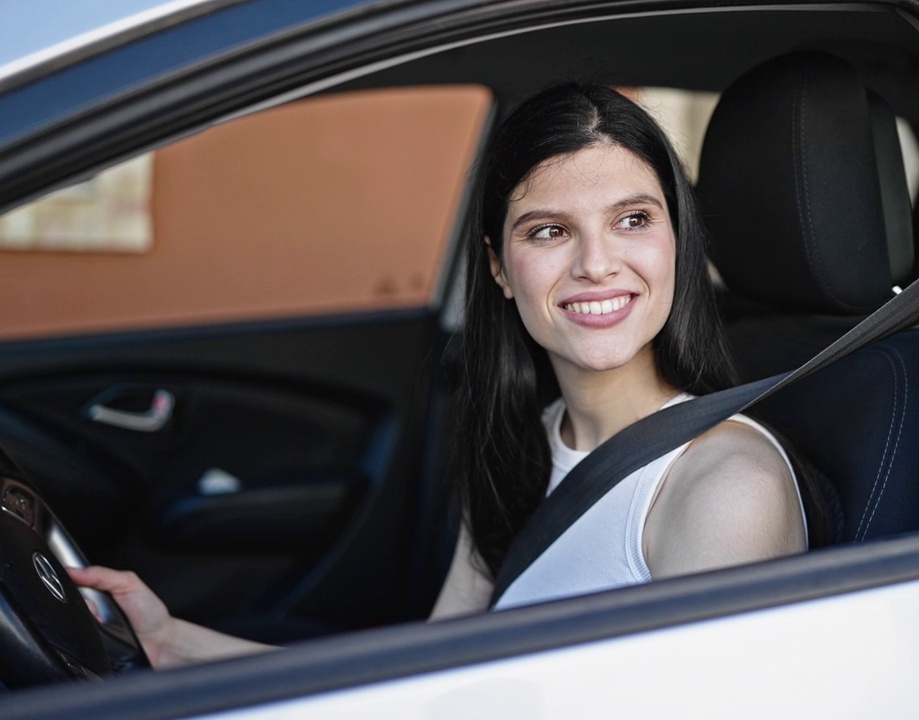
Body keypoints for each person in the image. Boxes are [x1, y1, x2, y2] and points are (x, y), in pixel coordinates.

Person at [70, 83, 824, 667]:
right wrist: (176, 644)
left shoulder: (725, 487)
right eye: (550, 230)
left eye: (633, 219)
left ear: (676, 243)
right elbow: (435, 676)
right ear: (499, 267)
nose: (598, 263)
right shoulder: (525, 443)